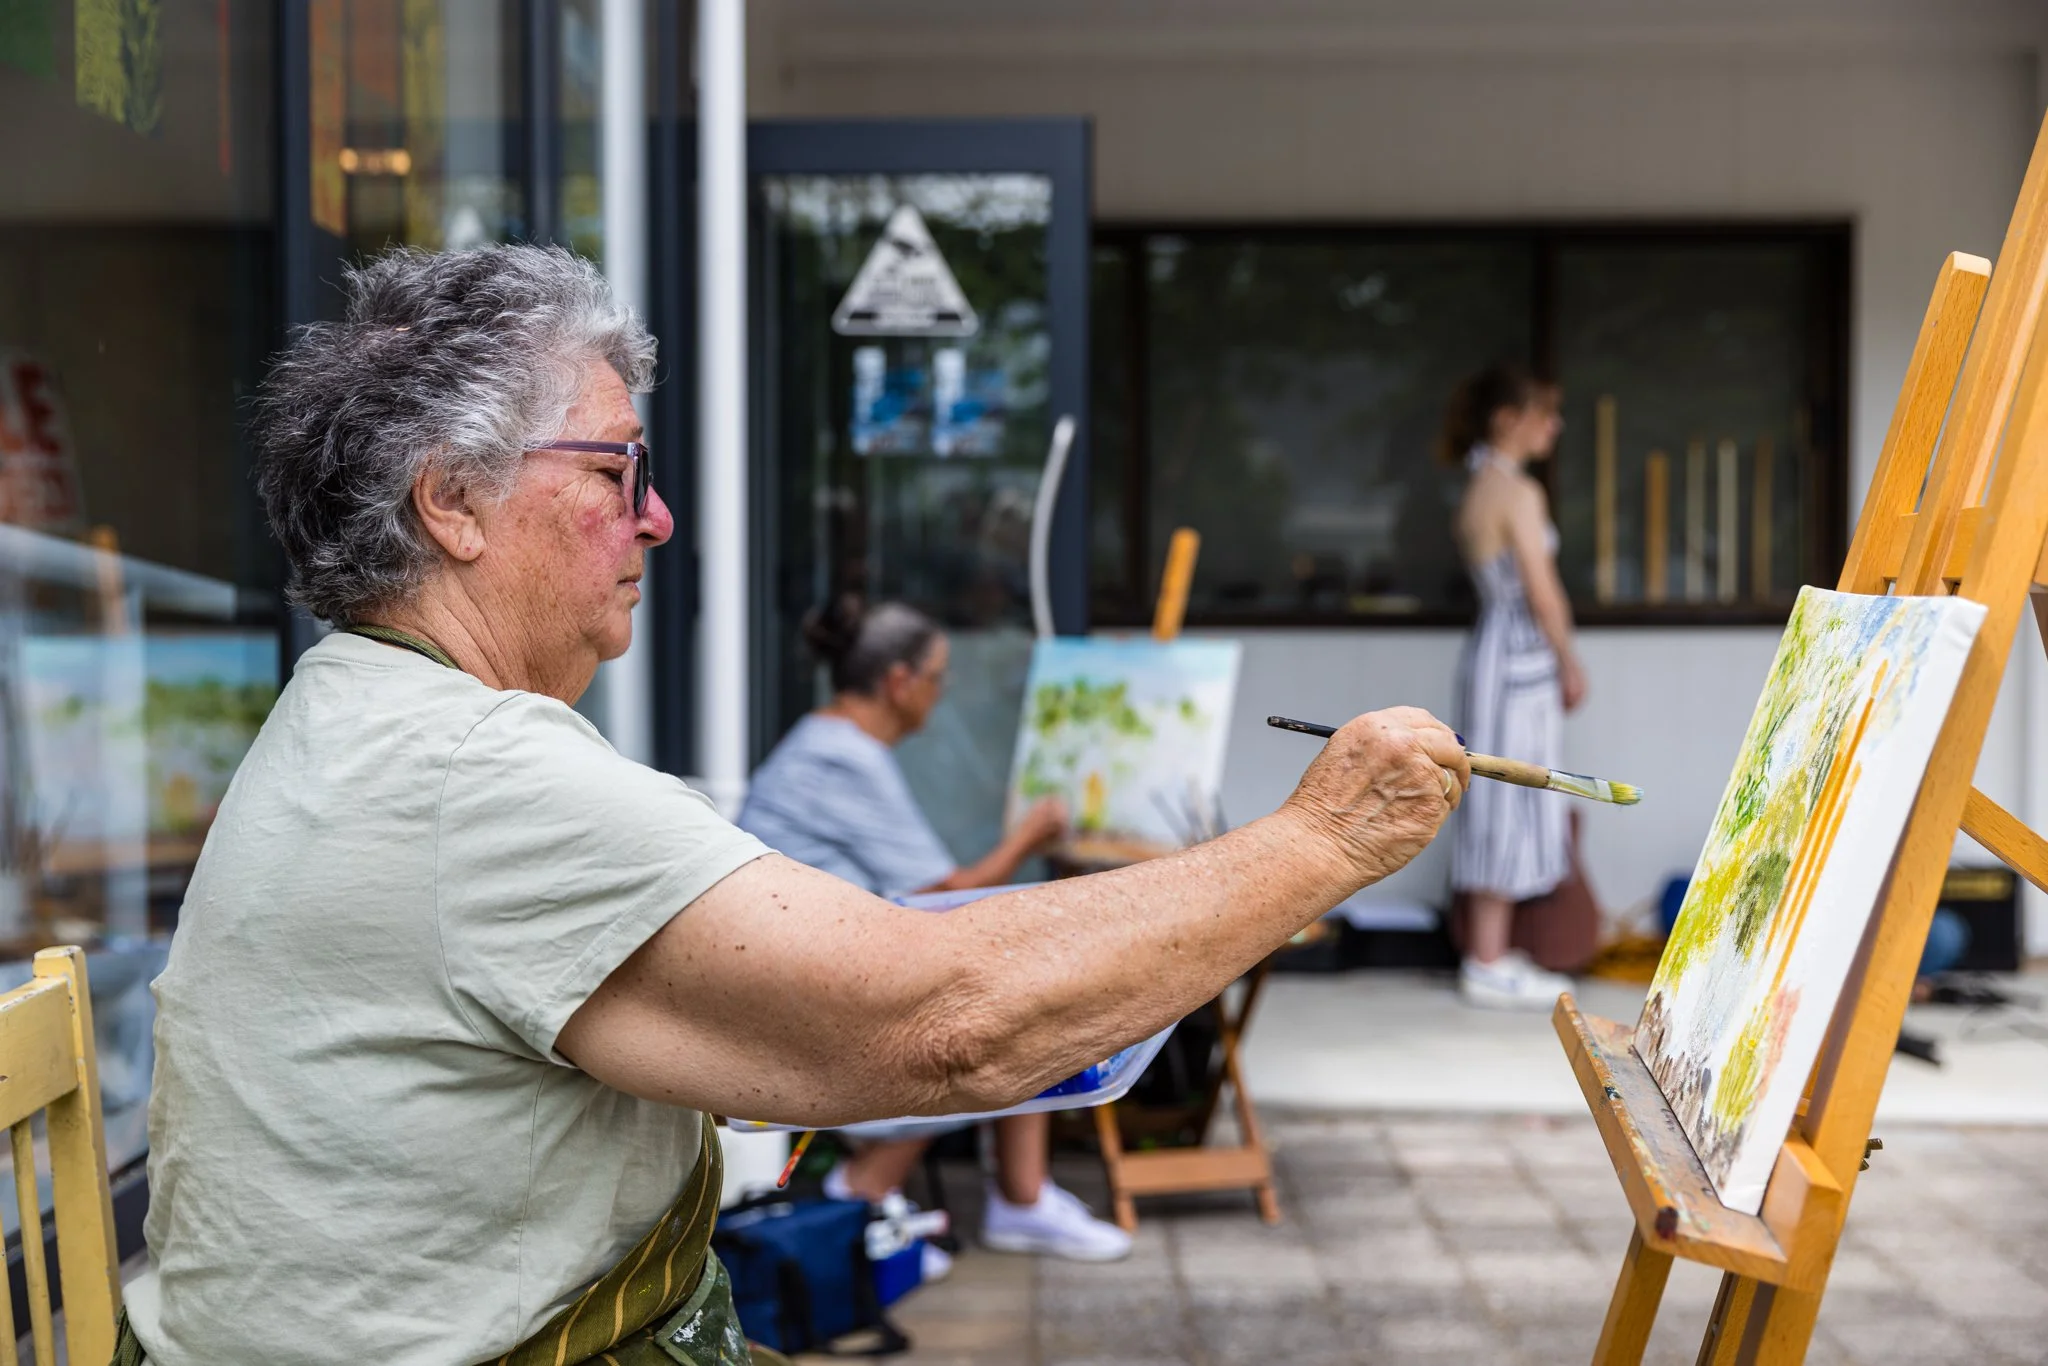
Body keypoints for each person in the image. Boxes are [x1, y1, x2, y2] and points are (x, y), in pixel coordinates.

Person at [121, 244, 1468, 1366]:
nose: (654, 521)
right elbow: (946, 1024)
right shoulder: (473, 774)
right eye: (617, 472)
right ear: (455, 503)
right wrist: (1321, 840)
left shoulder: (356, 712)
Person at [738, 595, 1130, 1264]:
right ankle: (863, 1195)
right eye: (937, 677)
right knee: (989, 1021)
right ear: (898, 682)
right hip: (798, 1000)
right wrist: (1031, 834)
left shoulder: (834, 743)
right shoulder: (841, 758)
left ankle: (1021, 1199)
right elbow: (945, 892)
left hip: (816, 973)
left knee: (1020, 987)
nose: (941, 694)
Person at [1441, 364, 1582, 1010]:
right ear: (1509, 418)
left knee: (1497, 790)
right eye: (1543, 413)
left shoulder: (1480, 486)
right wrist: (1569, 658)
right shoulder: (1515, 492)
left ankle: (1490, 952)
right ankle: (1488, 958)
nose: (1553, 426)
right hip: (1519, 654)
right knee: (1508, 790)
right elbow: (1540, 587)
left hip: (1493, 652)